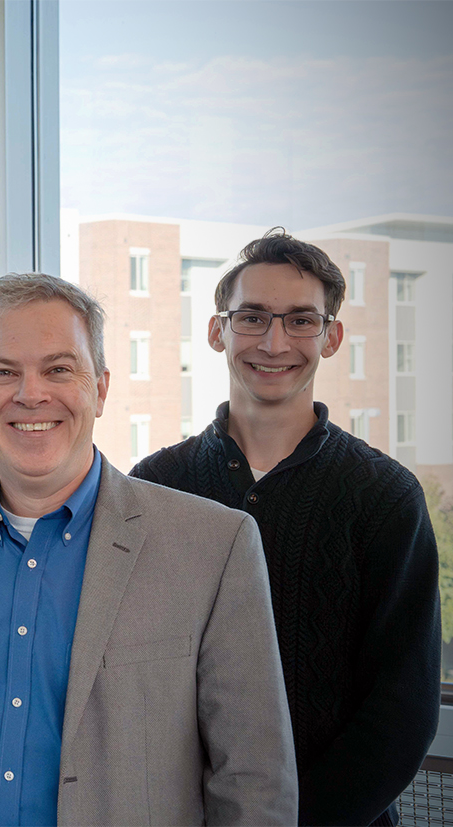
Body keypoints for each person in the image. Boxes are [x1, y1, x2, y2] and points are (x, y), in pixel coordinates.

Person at [0, 272, 297, 826]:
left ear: (101, 388)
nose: (31, 393)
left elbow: (253, 785)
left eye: (58, 369)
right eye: (3, 372)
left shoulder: (213, 549)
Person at [131, 229, 440, 826]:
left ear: (331, 338)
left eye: (301, 320)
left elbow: (403, 709)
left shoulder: (384, 496)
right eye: (252, 317)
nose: (275, 342)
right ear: (218, 330)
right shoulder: (153, 485)